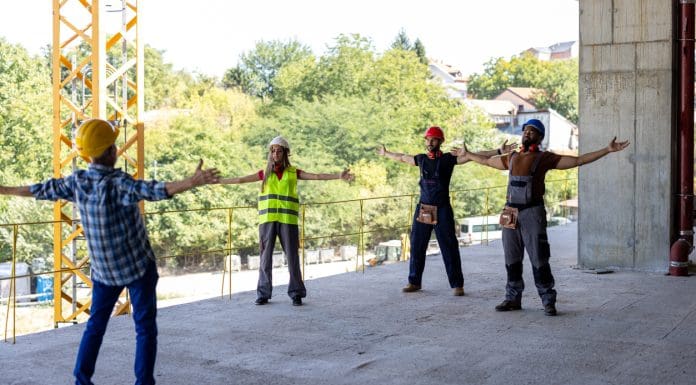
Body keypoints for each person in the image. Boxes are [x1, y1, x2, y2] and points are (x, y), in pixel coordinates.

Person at [0, 118, 220, 385]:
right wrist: (191, 181)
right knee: (145, 328)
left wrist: (4, 189)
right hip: (139, 267)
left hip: (104, 272)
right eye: (114, 145)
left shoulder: (77, 182)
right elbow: (154, 190)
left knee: (95, 326)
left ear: (86, 154)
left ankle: (82, 380)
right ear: (111, 151)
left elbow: (40, 190)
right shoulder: (119, 183)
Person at [457, 118, 629, 316]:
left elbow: (578, 160)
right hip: (510, 214)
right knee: (512, 258)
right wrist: (468, 154)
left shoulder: (545, 158)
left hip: (532, 213)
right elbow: (487, 161)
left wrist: (606, 150)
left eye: (533, 131)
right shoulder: (511, 157)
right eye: (526, 130)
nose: (528, 133)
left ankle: (548, 300)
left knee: (539, 258)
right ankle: (512, 298)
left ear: (540, 137)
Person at [377, 126, 516, 296]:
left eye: (433, 139)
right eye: (428, 139)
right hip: (423, 208)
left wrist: (498, 150)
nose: (430, 142)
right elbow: (402, 158)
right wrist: (386, 153)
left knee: (449, 246)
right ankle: (414, 282)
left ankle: (457, 284)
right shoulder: (420, 159)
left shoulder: (449, 159)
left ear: (441, 141)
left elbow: (473, 156)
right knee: (417, 245)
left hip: (442, 209)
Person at [219, 136, 354, 306]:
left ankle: (296, 293)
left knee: (292, 258)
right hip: (267, 221)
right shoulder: (264, 173)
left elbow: (317, 176)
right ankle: (263, 294)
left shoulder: (293, 173)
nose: (275, 154)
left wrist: (338, 176)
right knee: (265, 259)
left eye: (279, 151)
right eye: (273, 151)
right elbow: (240, 180)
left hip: (288, 221)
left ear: (285, 153)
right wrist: (219, 180)